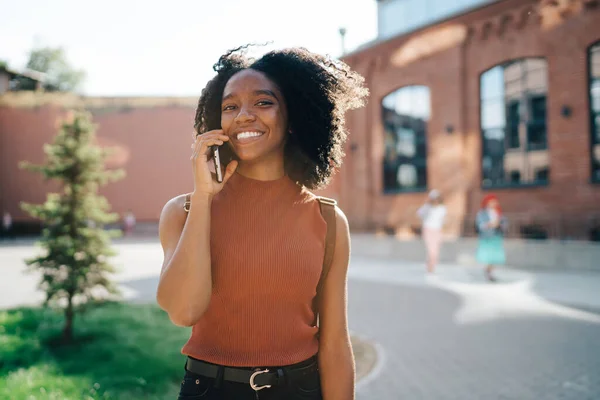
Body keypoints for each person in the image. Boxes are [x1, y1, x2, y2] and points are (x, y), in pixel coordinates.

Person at [156, 46, 368, 400]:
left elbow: (334, 343)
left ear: (293, 118)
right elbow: (183, 311)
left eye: (263, 102)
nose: (243, 115)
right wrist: (205, 196)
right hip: (210, 391)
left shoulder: (328, 221)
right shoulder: (185, 211)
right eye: (230, 106)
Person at [476, 194, 507, 282]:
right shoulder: (482, 213)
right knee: (488, 256)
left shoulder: (499, 213)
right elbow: (480, 225)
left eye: (494, 202)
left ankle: (490, 272)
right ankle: (488, 272)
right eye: (491, 202)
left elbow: (504, 223)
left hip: (496, 236)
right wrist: (490, 224)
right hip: (487, 237)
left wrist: (499, 224)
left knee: (495, 257)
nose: (493, 203)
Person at [417, 190, 447, 274]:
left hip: (437, 230)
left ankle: (432, 264)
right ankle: (430, 265)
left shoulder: (442, 208)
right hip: (428, 229)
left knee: (436, 250)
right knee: (431, 250)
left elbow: (443, 220)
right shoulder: (427, 207)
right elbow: (419, 213)